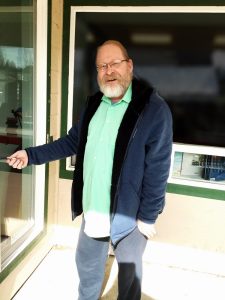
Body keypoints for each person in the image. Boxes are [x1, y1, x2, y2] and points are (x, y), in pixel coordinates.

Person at [7, 40, 173, 300]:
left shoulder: (153, 110)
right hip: (93, 206)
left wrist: (148, 217)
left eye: (114, 64)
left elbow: (159, 167)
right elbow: (72, 142)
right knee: (87, 270)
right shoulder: (94, 104)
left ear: (129, 65)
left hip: (129, 215)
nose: (108, 71)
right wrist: (31, 155)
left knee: (129, 282)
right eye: (101, 66)